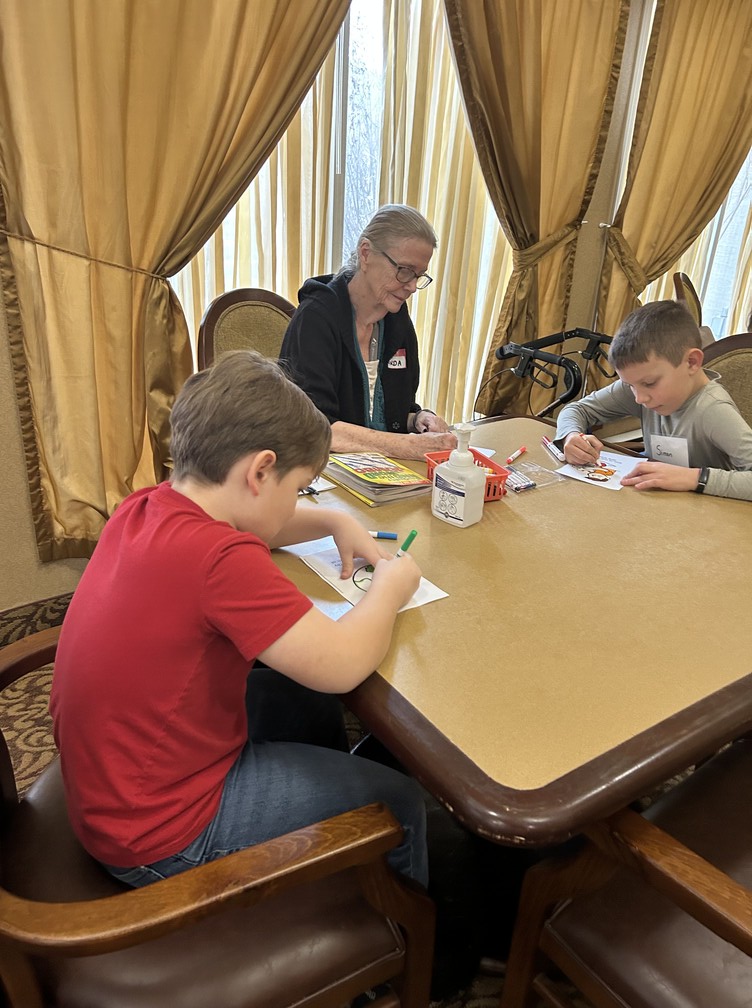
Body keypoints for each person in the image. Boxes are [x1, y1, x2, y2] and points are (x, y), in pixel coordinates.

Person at [50, 349, 429, 890]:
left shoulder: (149, 505)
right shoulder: (221, 561)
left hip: (112, 784)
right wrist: (389, 589)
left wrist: (330, 519)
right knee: (398, 802)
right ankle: (400, 929)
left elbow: (261, 523)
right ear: (260, 471)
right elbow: (341, 664)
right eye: (298, 490)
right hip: (160, 831)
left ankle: (325, 848)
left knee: (299, 697)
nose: (296, 504)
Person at [280, 203, 457, 461]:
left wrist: (418, 419)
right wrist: (409, 446)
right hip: (321, 469)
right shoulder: (315, 318)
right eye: (404, 271)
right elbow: (314, 428)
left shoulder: (397, 320)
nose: (411, 287)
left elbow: (392, 413)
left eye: (419, 276)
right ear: (365, 253)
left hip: (383, 470)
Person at [554, 300, 752, 501]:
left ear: (691, 362)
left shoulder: (713, 409)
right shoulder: (640, 387)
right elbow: (577, 410)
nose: (639, 398)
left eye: (649, 383)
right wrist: (571, 436)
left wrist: (694, 478)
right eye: (630, 385)